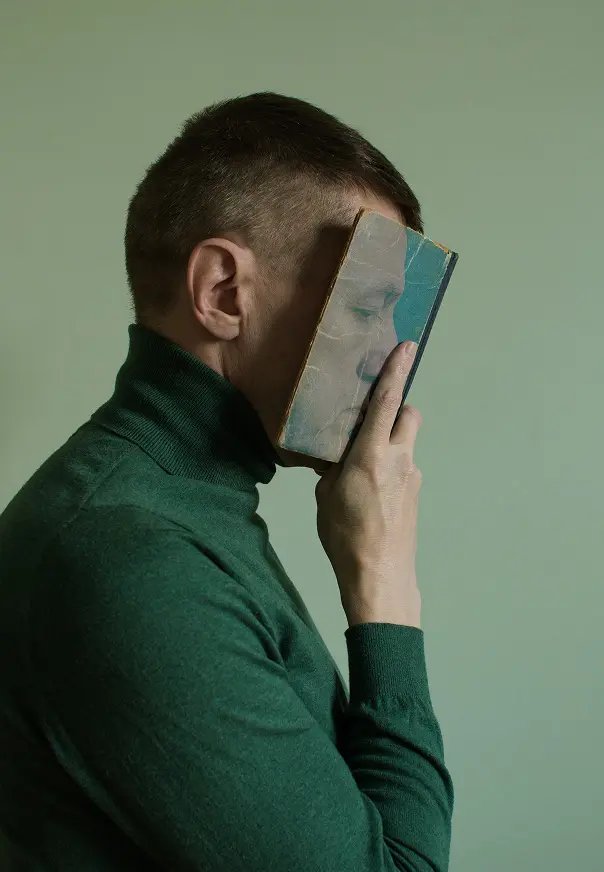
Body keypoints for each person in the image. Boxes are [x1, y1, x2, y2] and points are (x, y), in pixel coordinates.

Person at [0, 92, 454, 870]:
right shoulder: (130, 558)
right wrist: (384, 588)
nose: (390, 353)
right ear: (222, 292)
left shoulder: (174, 507)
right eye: (367, 306)